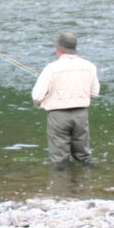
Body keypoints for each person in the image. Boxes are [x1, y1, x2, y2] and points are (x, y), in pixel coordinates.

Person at [31, 32, 100, 169]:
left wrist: (40, 104)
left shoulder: (51, 68)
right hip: (81, 114)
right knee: (84, 156)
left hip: (58, 116)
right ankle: (86, 183)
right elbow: (94, 92)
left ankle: (62, 186)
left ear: (59, 50)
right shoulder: (89, 66)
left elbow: (37, 96)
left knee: (60, 159)